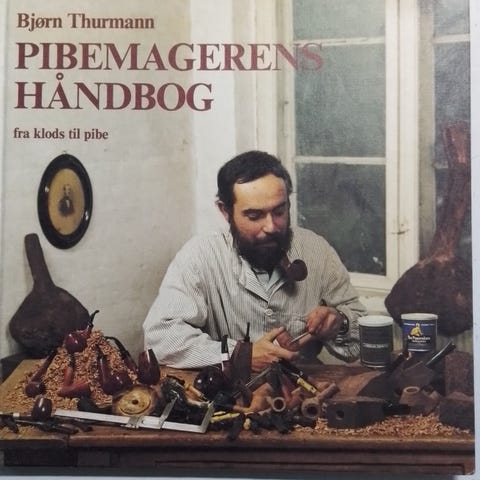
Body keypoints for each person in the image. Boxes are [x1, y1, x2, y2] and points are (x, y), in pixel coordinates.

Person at [143, 151, 366, 371]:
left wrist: (341, 323)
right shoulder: (200, 256)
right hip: (231, 388)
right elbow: (159, 339)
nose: (271, 227)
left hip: (304, 384)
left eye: (279, 211)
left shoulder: (316, 250)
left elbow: (363, 334)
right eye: (254, 216)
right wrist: (240, 355)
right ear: (225, 211)